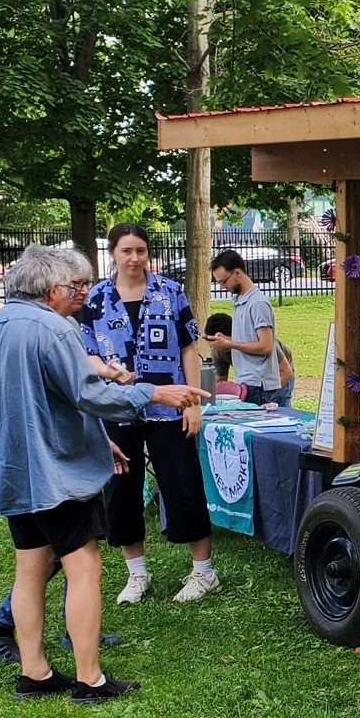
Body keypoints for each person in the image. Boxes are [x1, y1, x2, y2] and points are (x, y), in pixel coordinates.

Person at [0, 244, 207, 704]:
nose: (83, 293)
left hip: (11, 469)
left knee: (30, 568)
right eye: (76, 286)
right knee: (84, 567)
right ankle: (89, 679)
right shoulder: (55, 330)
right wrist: (156, 393)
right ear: (52, 290)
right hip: (57, 470)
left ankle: (34, 674)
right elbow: (88, 394)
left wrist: (99, 438)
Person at [82, 223, 220, 604]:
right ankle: (136, 573)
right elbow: (87, 354)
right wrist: (109, 370)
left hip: (169, 406)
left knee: (184, 483)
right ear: (112, 253)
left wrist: (192, 404)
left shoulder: (170, 292)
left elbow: (189, 347)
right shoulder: (96, 299)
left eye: (140, 250)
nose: (134, 258)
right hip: (118, 407)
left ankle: (204, 572)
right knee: (122, 491)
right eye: (126, 250)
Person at [202, 250, 289, 405]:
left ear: (237, 273)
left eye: (223, 281)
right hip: (246, 382)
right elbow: (249, 340)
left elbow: (266, 347)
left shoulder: (257, 303)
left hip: (258, 385)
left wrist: (230, 344)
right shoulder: (239, 301)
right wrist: (226, 341)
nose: (222, 287)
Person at [203, 312, 295, 400]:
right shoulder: (218, 350)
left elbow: (286, 372)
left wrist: (268, 398)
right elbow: (220, 382)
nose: (216, 349)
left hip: (280, 375)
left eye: (216, 344)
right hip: (255, 380)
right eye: (212, 346)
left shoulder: (255, 341)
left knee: (279, 407)